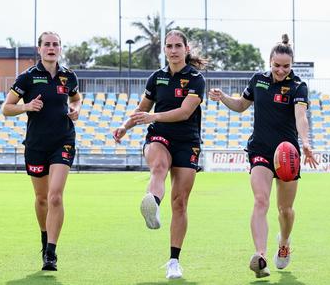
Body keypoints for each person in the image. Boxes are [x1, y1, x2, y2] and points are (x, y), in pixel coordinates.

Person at [208, 34, 318, 279]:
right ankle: (260, 256)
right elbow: (241, 105)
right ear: (269, 62)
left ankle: (285, 241)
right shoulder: (258, 80)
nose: (281, 70)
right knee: (261, 201)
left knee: (285, 210)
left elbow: (301, 117)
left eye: (286, 66)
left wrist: (306, 143)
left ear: (292, 65)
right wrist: (223, 97)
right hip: (260, 150)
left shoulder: (299, 86)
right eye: (276, 65)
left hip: (287, 154)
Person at [113, 30, 207, 280]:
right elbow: (142, 109)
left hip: (187, 141)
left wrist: (152, 116)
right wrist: (125, 125)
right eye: (169, 46)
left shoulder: (196, 79)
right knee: (158, 166)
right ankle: (152, 204)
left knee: (180, 202)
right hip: (160, 136)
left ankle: (174, 260)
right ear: (164, 50)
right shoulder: (156, 78)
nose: (173, 50)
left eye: (178, 46)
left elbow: (185, 112)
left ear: (186, 49)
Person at [1, 31, 82, 271]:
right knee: (42, 198)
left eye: (55, 44)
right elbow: (6, 108)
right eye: (47, 44)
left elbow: (76, 98)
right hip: (36, 145)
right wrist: (27, 106)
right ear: (39, 49)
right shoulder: (27, 77)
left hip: (63, 141)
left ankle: (51, 252)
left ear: (60, 49)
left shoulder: (69, 76)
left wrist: (76, 108)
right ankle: (45, 236)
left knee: (56, 195)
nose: (51, 48)